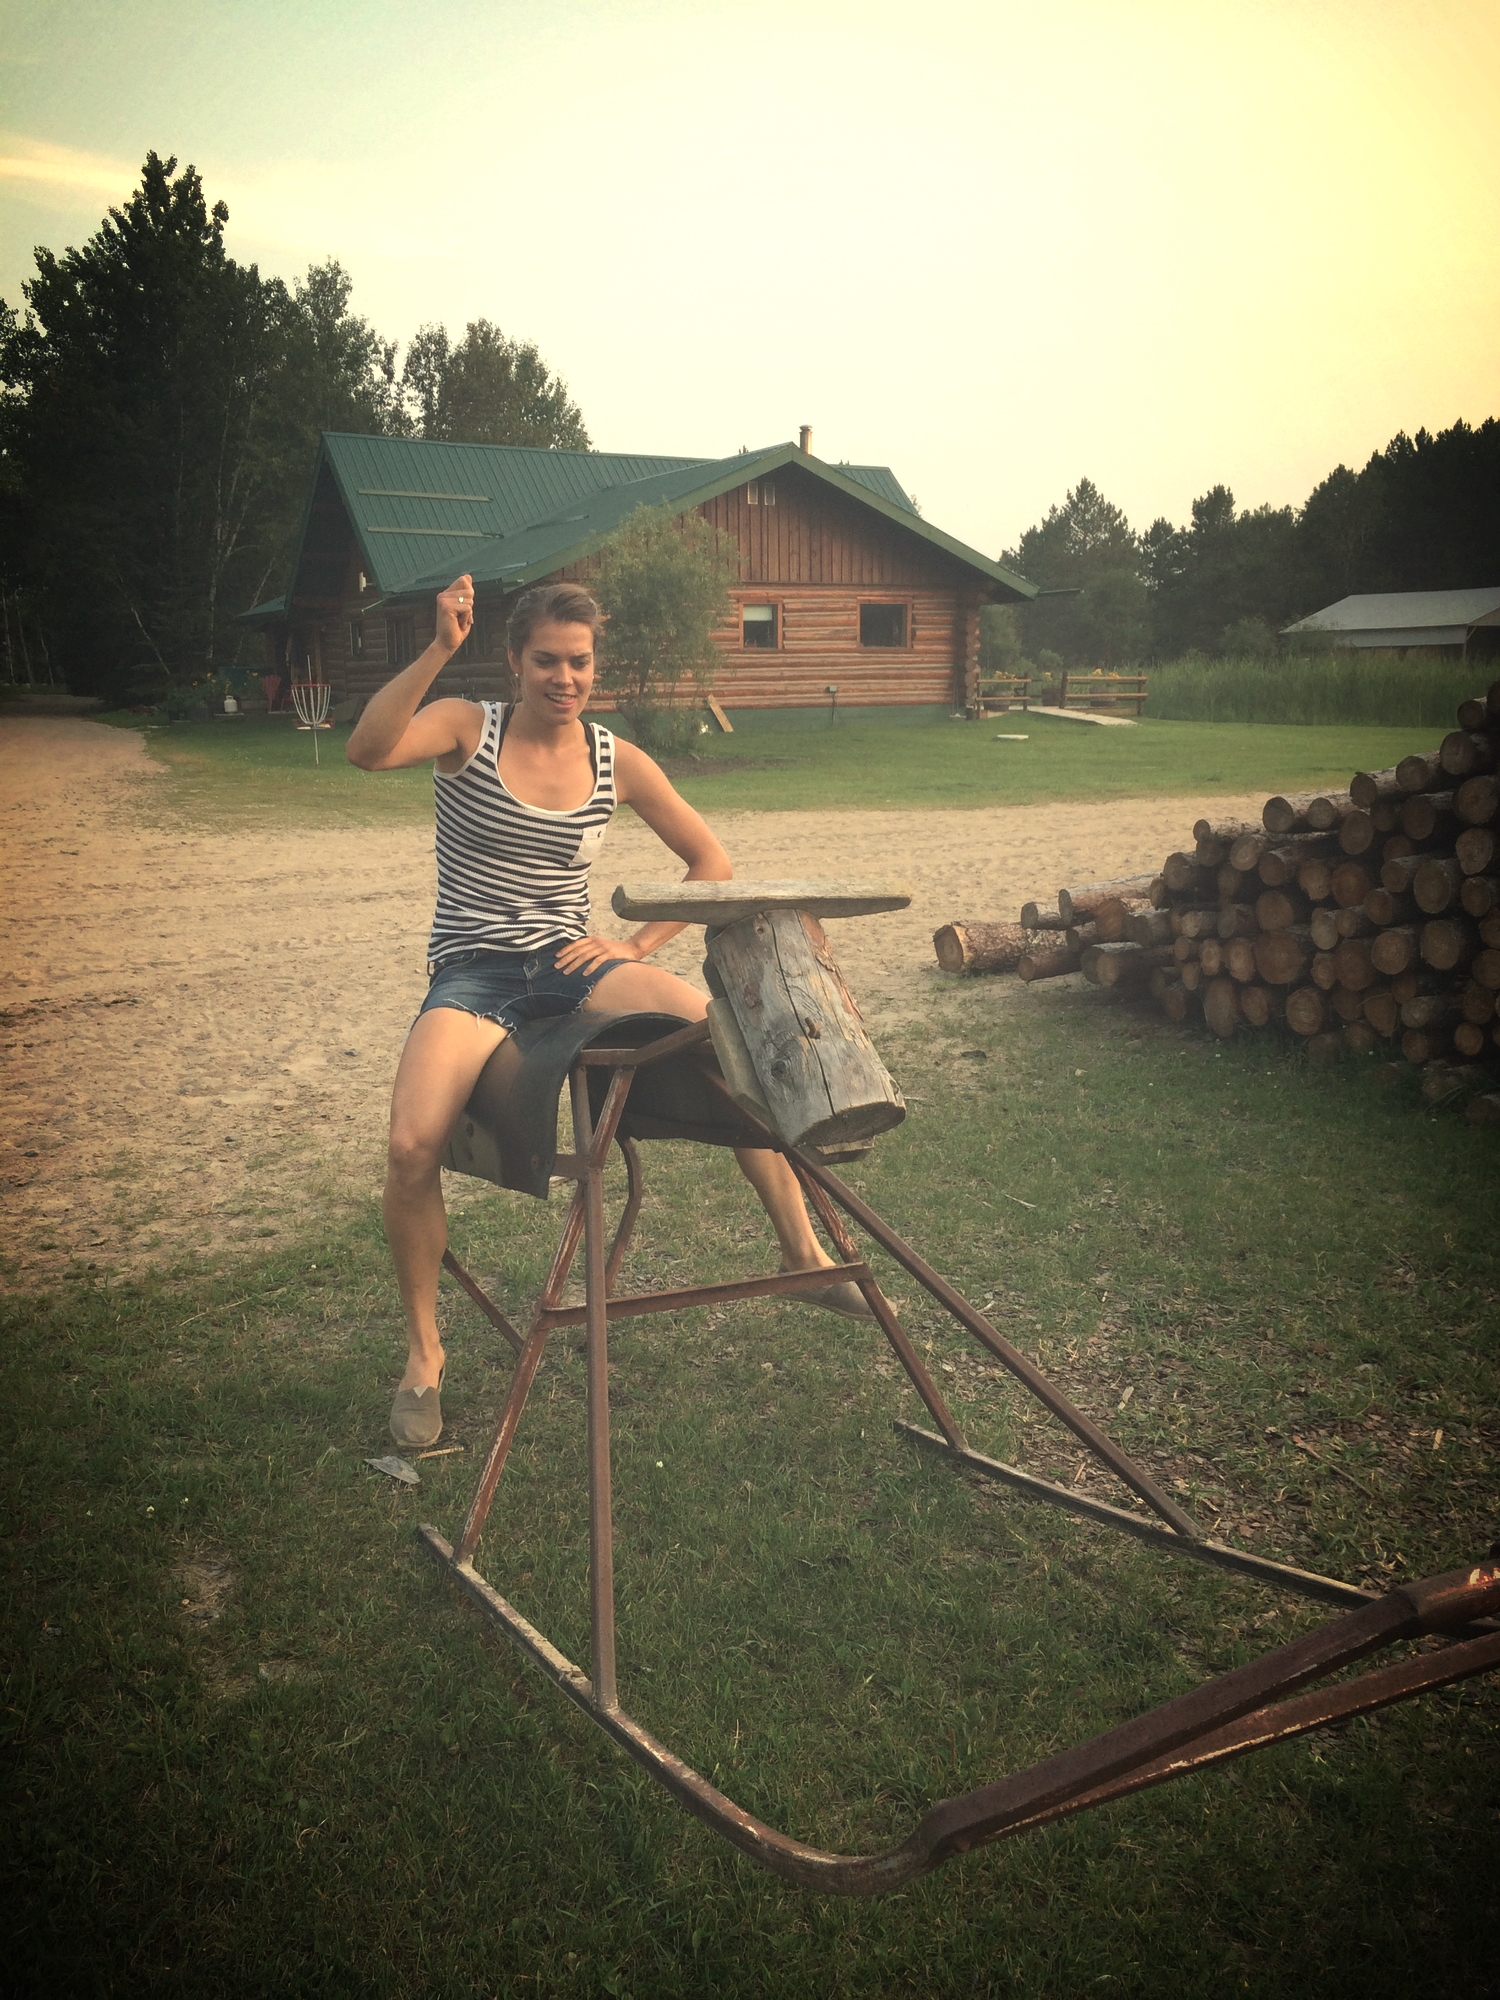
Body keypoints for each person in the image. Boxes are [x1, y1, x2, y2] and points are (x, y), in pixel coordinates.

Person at [347, 574, 868, 1448]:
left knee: (724, 1042)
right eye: (546, 660)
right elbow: (367, 749)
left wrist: (634, 947)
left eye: (579, 661)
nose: (564, 676)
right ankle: (425, 1357)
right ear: (514, 660)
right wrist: (438, 645)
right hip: (473, 974)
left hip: (571, 962)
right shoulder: (465, 728)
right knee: (409, 1147)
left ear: (596, 666)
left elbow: (708, 862)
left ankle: (803, 1254)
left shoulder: (613, 759)